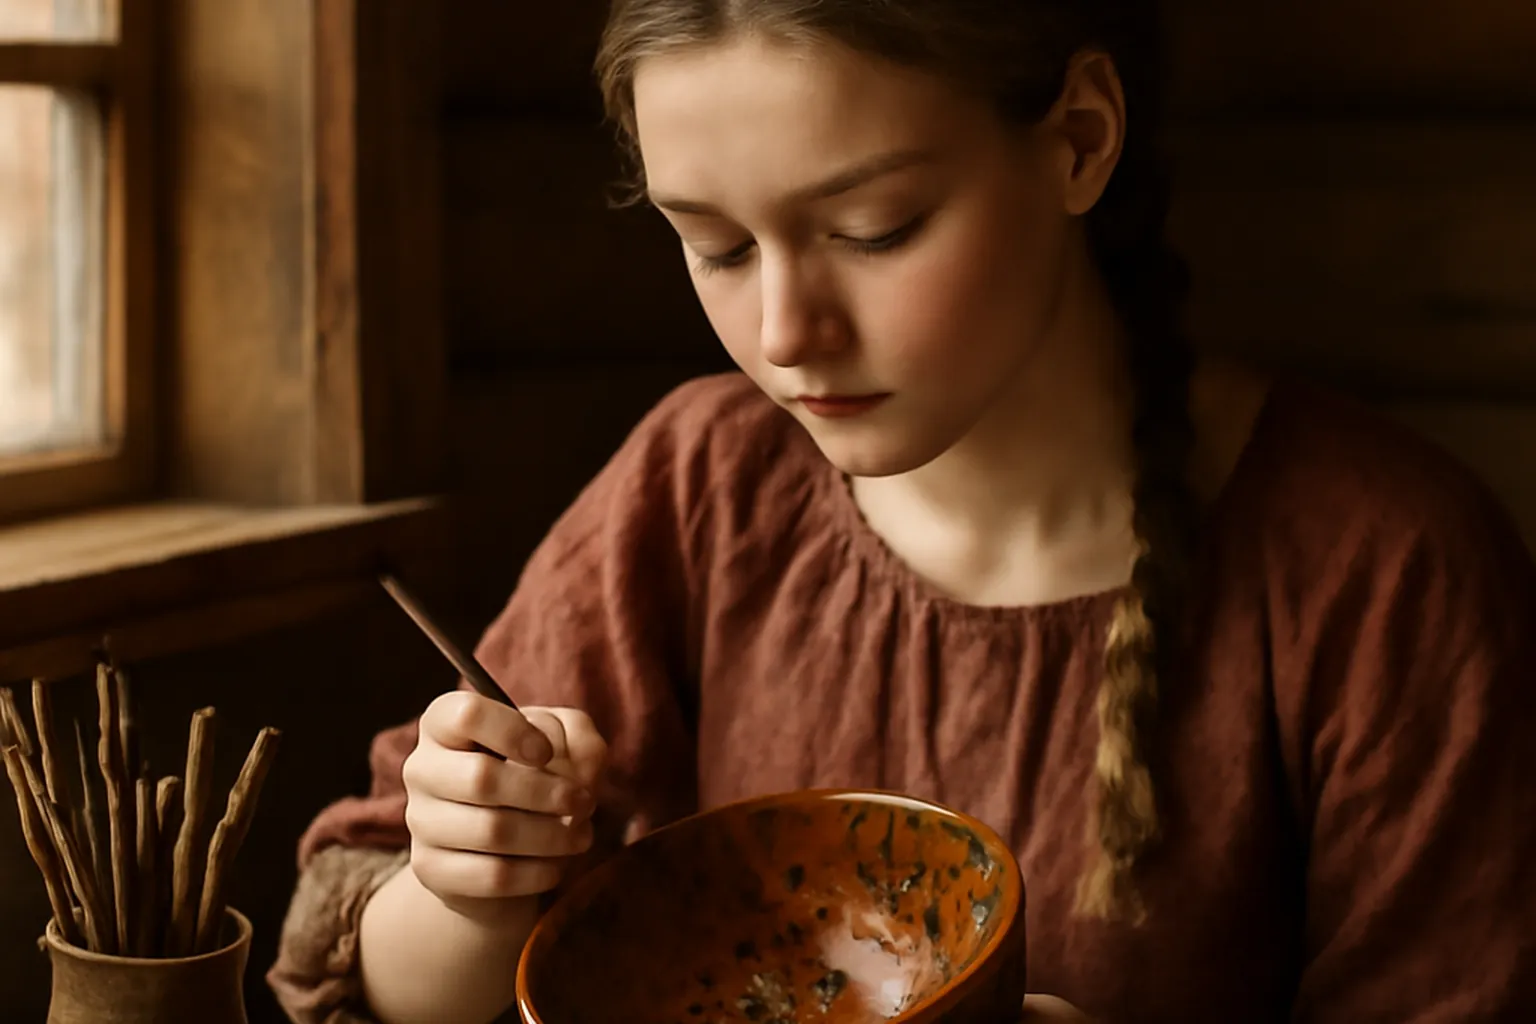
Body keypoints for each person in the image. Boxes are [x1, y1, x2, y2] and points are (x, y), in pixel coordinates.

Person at [266, 1, 1536, 1021]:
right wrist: (470, 891)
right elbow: (365, 974)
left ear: (1079, 138)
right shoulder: (701, 487)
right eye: (716, 246)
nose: (785, 334)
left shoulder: (1385, 572)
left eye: (875, 229)